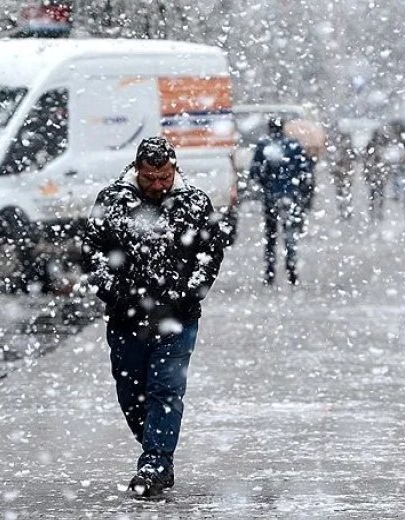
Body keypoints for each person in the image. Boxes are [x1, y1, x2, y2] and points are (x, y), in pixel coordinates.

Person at [84, 136, 233, 499]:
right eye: (150, 178)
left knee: (166, 390)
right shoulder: (112, 201)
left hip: (176, 318)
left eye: (163, 177)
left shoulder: (195, 203)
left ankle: (155, 463)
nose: (157, 185)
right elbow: (92, 253)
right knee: (131, 392)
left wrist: (190, 293)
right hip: (127, 317)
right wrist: (113, 293)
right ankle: (153, 444)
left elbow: (209, 254)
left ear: (174, 169)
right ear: (137, 171)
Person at [249, 117, 315, 285]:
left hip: (270, 197)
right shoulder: (293, 146)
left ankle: (270, 271)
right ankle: (291, 269)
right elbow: (305, 171)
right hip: (290, 196)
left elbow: (255, 172)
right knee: (290, 234)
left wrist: (266, 185)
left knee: (271, 235)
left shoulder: (264, 146)